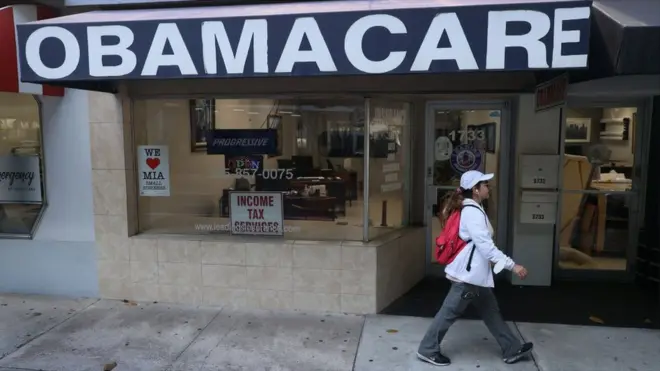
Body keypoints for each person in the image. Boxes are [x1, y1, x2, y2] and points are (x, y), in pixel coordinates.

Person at [417, 170, 533, 366]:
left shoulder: (473, 208)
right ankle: (427, 349)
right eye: (485, 184)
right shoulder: (471, 212)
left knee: (490, 311)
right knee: (448, 313)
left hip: (475, 276)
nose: (489, 187)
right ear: (475, 190)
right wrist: (513, 266)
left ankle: (511, 349)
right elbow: (486, 247)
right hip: (467, 277)